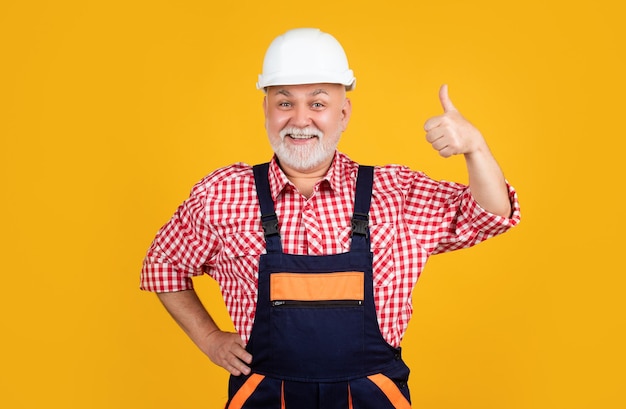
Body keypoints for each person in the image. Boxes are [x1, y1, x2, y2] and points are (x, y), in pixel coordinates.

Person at [141, 28, 521, 409]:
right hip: (264, 396)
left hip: (373, 397)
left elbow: (490, 214)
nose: (301, 119)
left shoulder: (395, 192)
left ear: (344, 112)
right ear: (266, 109)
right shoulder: (222, 194)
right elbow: (163, 264)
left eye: (318, 104)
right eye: (285, 103)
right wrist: (209, 339)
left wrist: (475, 148)